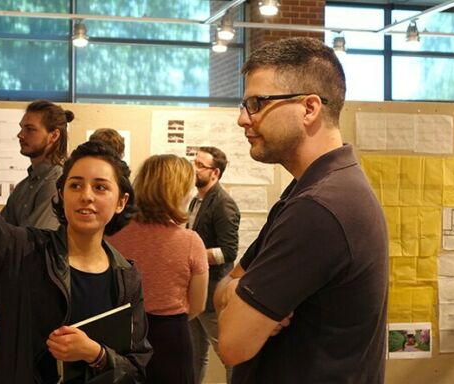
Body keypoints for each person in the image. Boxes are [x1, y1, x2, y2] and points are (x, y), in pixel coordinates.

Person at [214, 37, 389, 383]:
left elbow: (232, 344)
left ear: (309, 108)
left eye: (257, 103)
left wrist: (240, 300)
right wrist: (239, 294)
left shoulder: (319, 207)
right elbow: (226, 288)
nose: (242, 119)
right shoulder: (310, 189)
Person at [0, 141, 152, 383]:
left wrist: (95, 354)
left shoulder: (126, 276)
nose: (86, 196)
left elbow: (135, 368)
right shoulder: (26, 250)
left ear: (121, 202)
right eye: (76, 185)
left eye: (100, 187)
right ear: (61, 194)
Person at [108, 154, 208, 384]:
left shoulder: (112, 235)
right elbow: (197, 305)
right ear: (179, 191)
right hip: (170, 336)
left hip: (124, 333)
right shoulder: (191, 241)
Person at [186, 146, 240, 384]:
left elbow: (228, 252)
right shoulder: (196, 201)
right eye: (194, 162)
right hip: (195, 292)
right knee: (195, 355)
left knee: (229, 356)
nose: (194, 168)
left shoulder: (223, 203)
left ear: (215, 173)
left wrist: (193, 254)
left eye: (200, 165)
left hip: (212, 293)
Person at [1, 99, 73, 229]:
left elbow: (35, 242)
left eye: (30, 129)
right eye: (21, 128)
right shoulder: (23, 187)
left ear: (54, 136)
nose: (20, 135)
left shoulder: (57, 182)